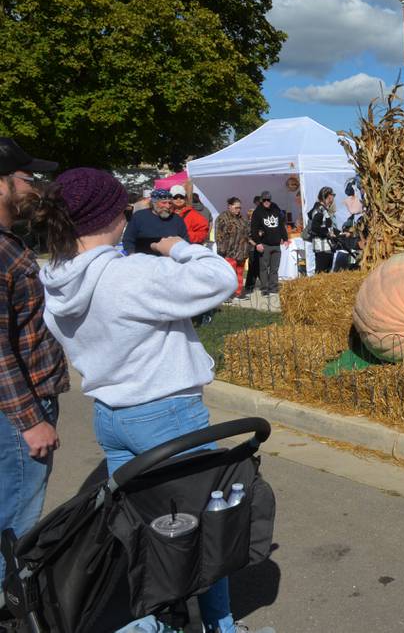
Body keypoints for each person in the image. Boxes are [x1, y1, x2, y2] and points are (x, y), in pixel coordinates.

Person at [34, 168, 268, 633]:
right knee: (208, 524)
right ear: (112, 216)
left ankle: (155, 615)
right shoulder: (132, 273)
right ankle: (217, 625)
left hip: (111, 414)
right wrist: (175, 246)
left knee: (149, 526)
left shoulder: (55, 277)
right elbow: (221, 277)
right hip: (167, 412)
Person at [0, 138, 70, 583]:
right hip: (16, 413)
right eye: (27, 178)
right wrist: (30, 420)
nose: (35, 187)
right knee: (15, 525)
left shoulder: (11, 244)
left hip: (18, 408)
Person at [250, 190, 288, 313]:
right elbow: (254, 229)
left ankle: (273, 287)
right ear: (261, 200)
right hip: (264, 244)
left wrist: (285, 238)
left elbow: (281, 224)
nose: (267, 202)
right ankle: (265, 288)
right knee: (263, 267)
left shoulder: (275, 208)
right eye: (264, 200)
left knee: (274, 268)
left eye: (268, 200)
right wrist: (258, 243)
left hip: (276, 244)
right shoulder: (257, 212)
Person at [122, 188, 188, 254]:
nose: (168, 206)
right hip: (143, 260)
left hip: (170, 261)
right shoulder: (139, 216)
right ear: (154, 203)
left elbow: (185, 241)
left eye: (170, 203)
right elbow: (128, 239)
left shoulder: (177, 219)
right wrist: (132, 255)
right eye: (164, 203)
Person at [215, 197, 250, 300]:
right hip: (229, 252)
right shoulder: (222, 218)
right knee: (230, 275)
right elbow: (219, 236)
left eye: (239, 208)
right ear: (229, 206)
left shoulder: (242, 219)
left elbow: (247, 233)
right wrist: (222, 251)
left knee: (239, 274)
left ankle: (238, 293)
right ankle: (227, 295)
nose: (238, 210)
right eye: (236, 207)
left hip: (241, 252)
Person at [308, 186, 337, 274]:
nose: (333, 198)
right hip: (322, 247)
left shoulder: (324, 210)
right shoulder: (319, 210)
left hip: (326, 246)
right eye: (333, 195)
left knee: (326, 273)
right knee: (321, 273)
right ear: (328, 196)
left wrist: (339, 232)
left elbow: (326, 226)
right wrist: (328, 233)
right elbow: (315, 227)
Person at [243, 195, 262, 295]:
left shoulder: (257, 224)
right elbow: (247, 237)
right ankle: (250, 286)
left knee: (258, 266)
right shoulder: (247, 224)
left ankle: (260, 284)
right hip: (251, 248)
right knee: (253, 266)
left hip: (258, 247)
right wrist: (255, 243)